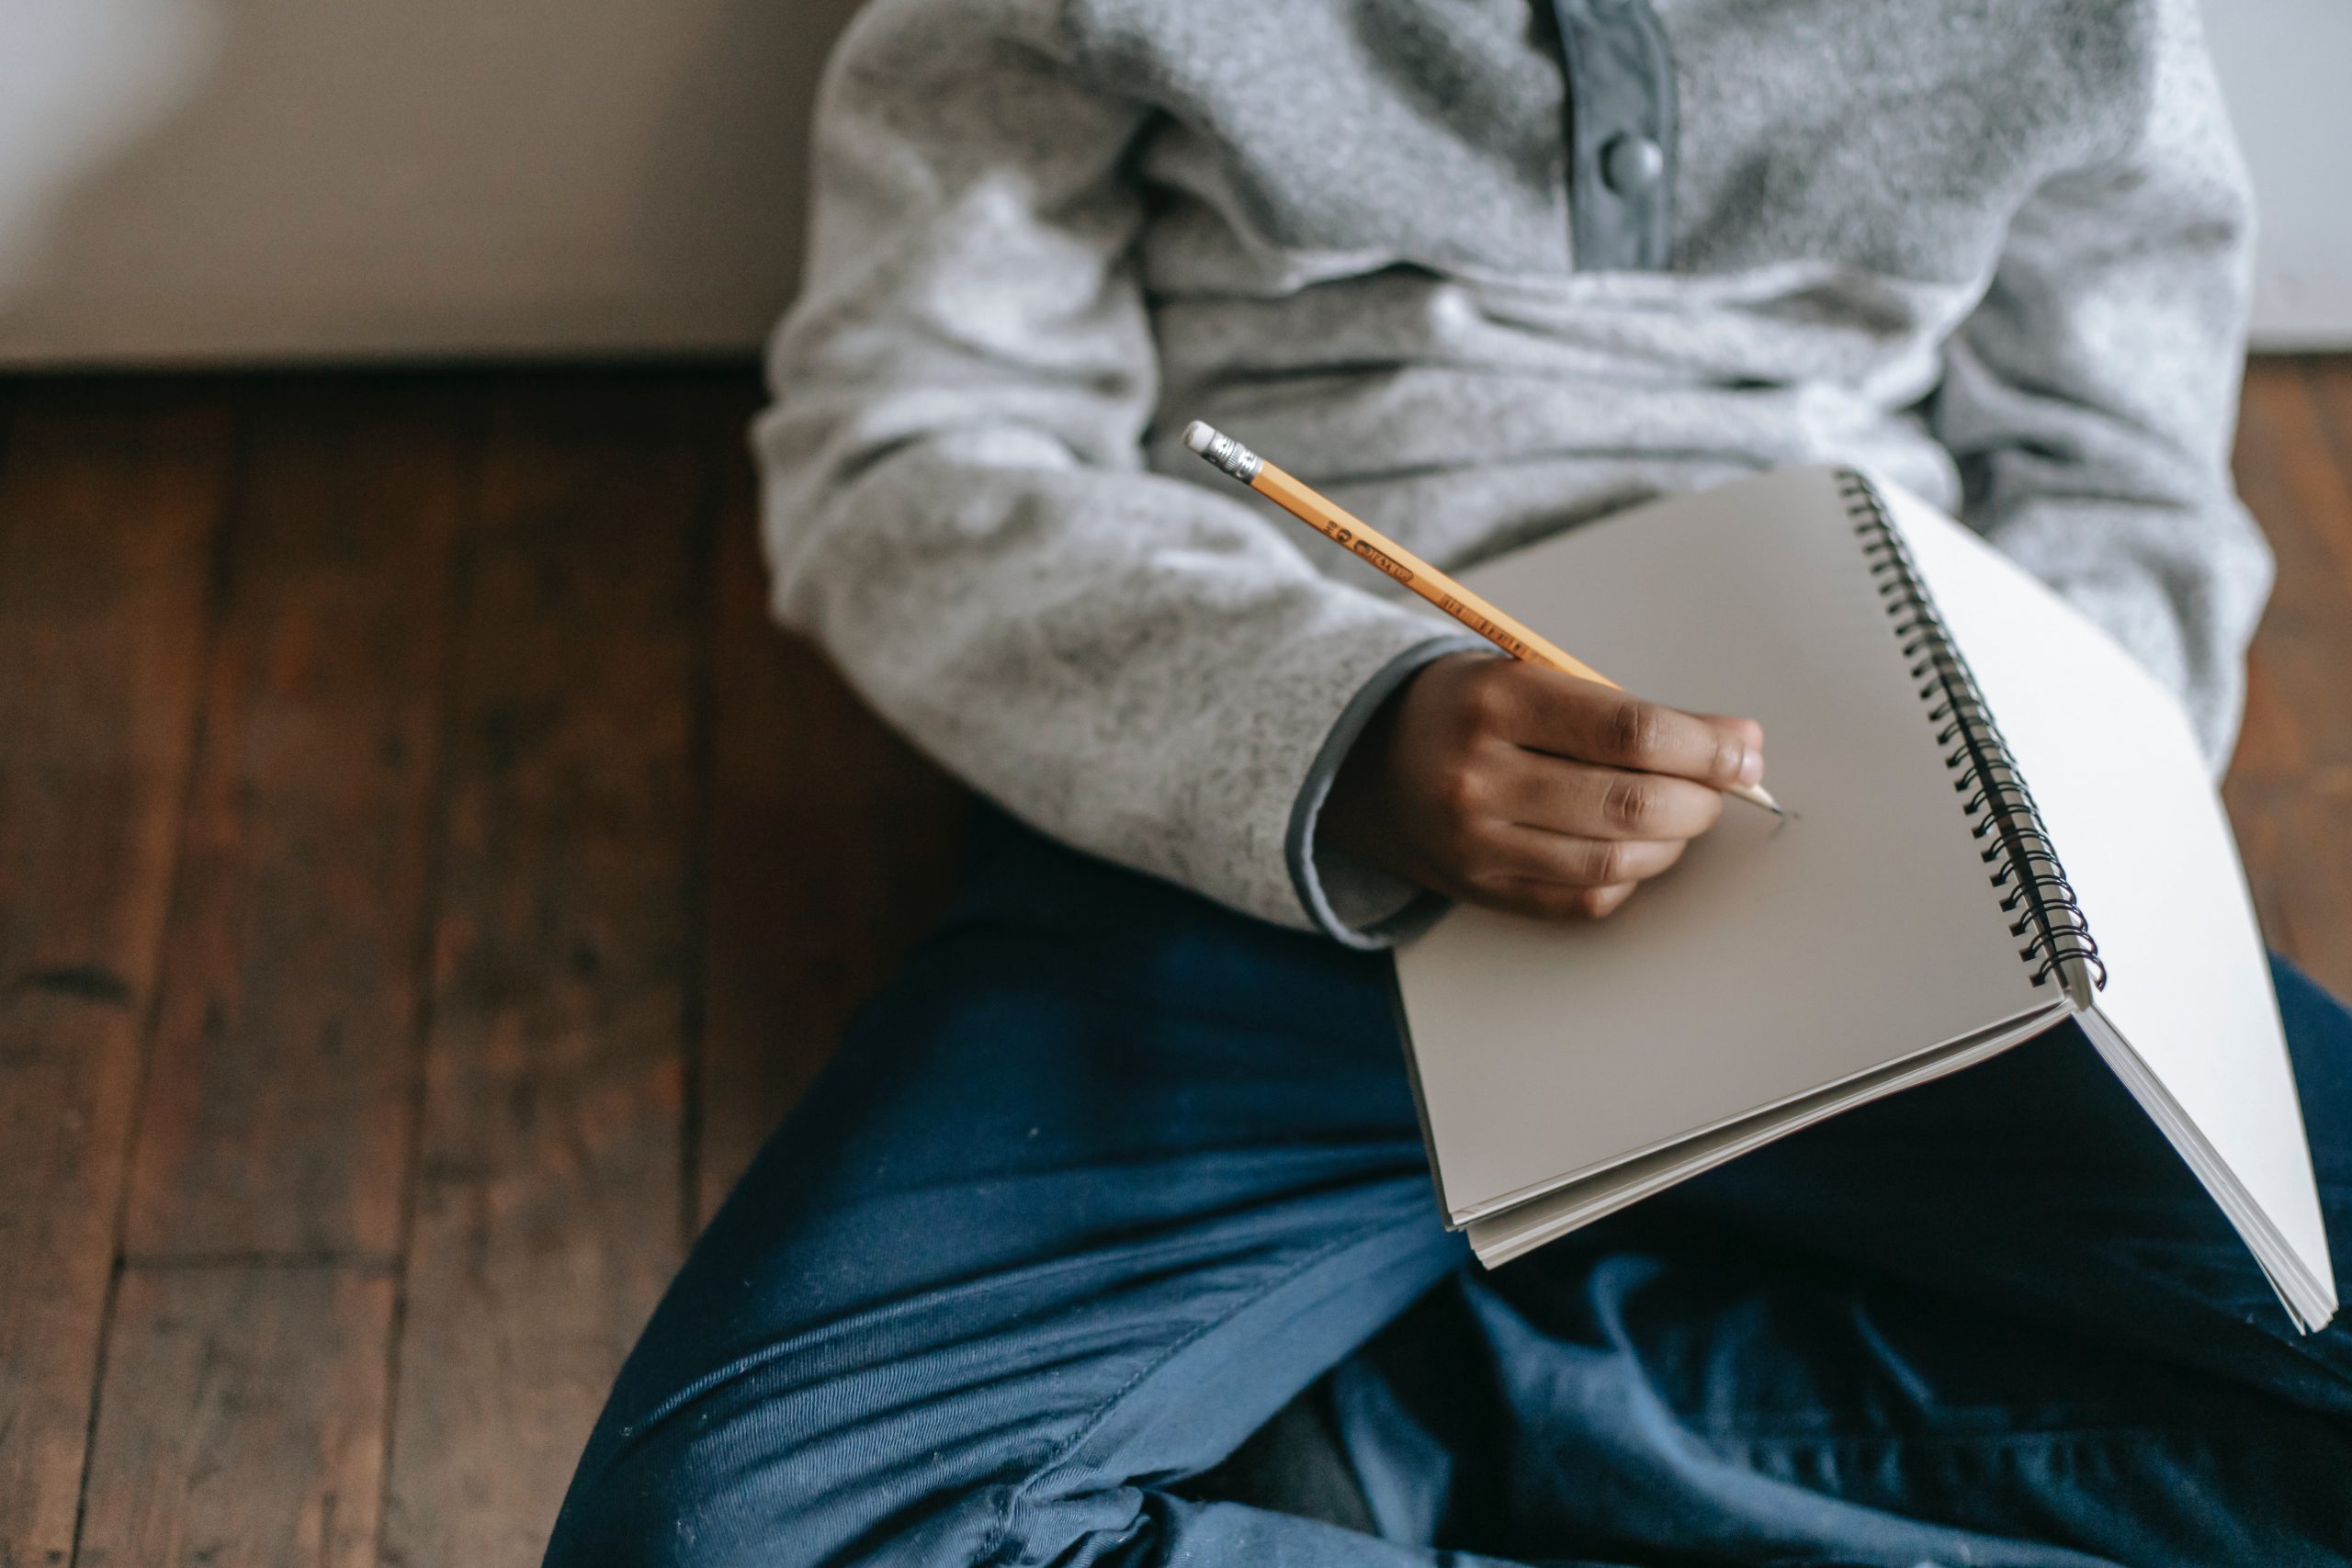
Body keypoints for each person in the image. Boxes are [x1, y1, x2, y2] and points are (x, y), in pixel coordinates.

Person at [544, 1, 2352, 1562]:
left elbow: (2118, 476)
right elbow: (906, 449)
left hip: (1900, 846)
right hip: (1250, 837)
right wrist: (1339, 730)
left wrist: (2029, 795)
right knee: (727, 1530)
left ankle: (1444, 1423)